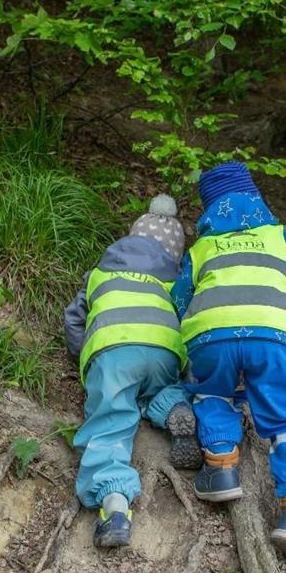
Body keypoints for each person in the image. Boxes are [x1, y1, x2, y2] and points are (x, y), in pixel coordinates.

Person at [171, 162, 286, 567]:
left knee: (212, 390)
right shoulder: (278, 238)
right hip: (274, 335)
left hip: (211, 334)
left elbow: (180, 299)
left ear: (208, 211)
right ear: (257, 200)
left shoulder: (201, 249)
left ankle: (221, 467)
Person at [63, 194, 200, 548]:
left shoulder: (99, 274)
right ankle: (174, 408)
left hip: (113, 350)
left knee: (110, 422)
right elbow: (187, 320)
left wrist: (86, 358)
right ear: (175, 254)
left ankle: (115, 504)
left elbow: (74, 319)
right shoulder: (174, 279)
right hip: (163, 351)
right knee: (160, 386)